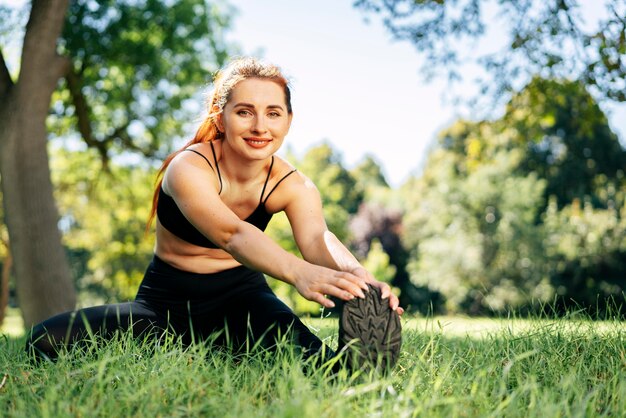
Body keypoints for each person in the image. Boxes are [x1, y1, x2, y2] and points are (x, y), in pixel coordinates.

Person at [26, 57, 403, 370]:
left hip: (243, 302)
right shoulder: (188, 169)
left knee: (317, 368)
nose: (260, 126)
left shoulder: (292, 183)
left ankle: (343, 365)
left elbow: (318, 238)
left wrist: (358, 277)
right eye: (245, 112)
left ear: (288, 120)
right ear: (220, 118)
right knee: (42, 342)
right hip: (163, 306)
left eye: (273, 113)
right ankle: (211, 349)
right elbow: (232, 234)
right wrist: (298, 274)